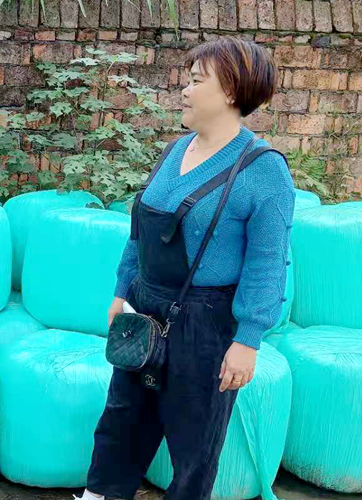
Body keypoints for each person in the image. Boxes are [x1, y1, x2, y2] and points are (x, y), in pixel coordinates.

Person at [79, 37, 295, 500]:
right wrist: (122, 291)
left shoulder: (263, 170)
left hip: (207, 324)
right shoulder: (175, 151)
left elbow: (267, 261)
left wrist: (248, 339)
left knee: (194, 444)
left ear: (231, 91)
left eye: (196, 81)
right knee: (122, 419)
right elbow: (140, 230)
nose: (184, 89)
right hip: (145, 309)